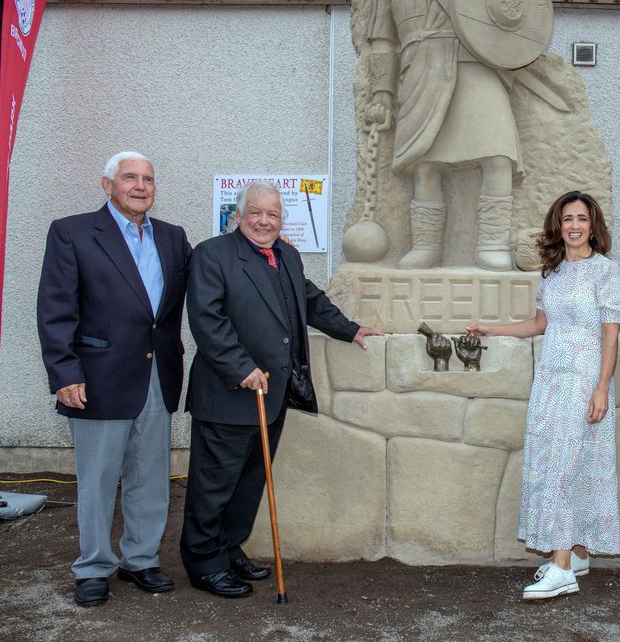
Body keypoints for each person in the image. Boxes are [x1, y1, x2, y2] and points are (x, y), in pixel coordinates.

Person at [180, 181, 382, 598]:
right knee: (214, 483)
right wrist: (242, 368)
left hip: (272, 396)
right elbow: (207, 320)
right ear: (239, 215)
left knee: (250, 481)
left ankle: (227, 547)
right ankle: (203, 562)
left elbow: (310, 302)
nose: (264, 220)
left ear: (280, 219)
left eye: (272, 214)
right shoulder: (212, 255)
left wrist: (350, 329)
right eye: (256, 212)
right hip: (229, 393)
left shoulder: (287, 255)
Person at [37, 151, 191, 607]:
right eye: (130, 177)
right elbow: (56, 309)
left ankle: (140, 560)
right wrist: (64, 372)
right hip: (96, 379)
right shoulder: (73, 232)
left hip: (157, 377)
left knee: (150, 476)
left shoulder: (172, 237)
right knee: (99, 479)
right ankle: (93, 567)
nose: (140, 186)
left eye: (148, 178)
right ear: (108, 185)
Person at [467, 190, 620, 600]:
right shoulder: (551, 274)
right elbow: (540, 323)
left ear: (594, 226)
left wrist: (601, 389)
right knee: (558, 462)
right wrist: (492, 329)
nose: (574, 226)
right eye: (567, 219)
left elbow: (611, 337)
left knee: (565, 466)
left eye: (582, 219)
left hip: (584, 381)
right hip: (551, 383)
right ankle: (575, 553)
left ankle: (560, 569)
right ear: (558, 226)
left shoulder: (607, 273)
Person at [364, 0, 520, 270]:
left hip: (477, 64)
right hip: (422, 67)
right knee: (425, 164)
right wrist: (381, 93)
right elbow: (382, 39)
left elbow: (515, 11)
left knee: (498, 155)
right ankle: (426, 245)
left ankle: (493, 241)